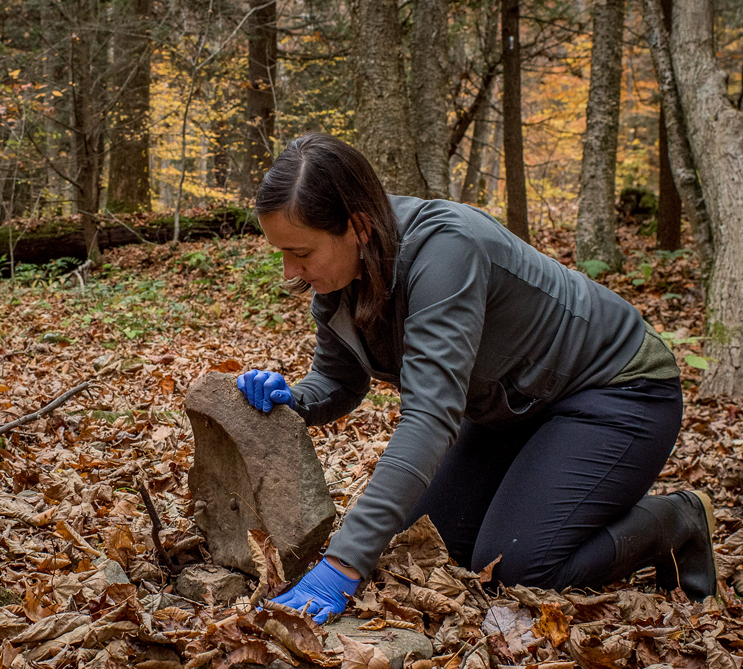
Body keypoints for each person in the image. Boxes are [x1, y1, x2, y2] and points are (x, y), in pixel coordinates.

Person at [235, 133, 716, 625]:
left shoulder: (445, 249)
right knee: (429, 542)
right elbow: (338, 382)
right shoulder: (338, 279)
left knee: (521, 566)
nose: (290, 270)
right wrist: (292, 399)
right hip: (511, 410)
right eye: (282, 253)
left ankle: (678, 520)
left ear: (357, 226)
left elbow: (430, 417)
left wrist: (341, 564)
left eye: (300, 252)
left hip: (617, 391)